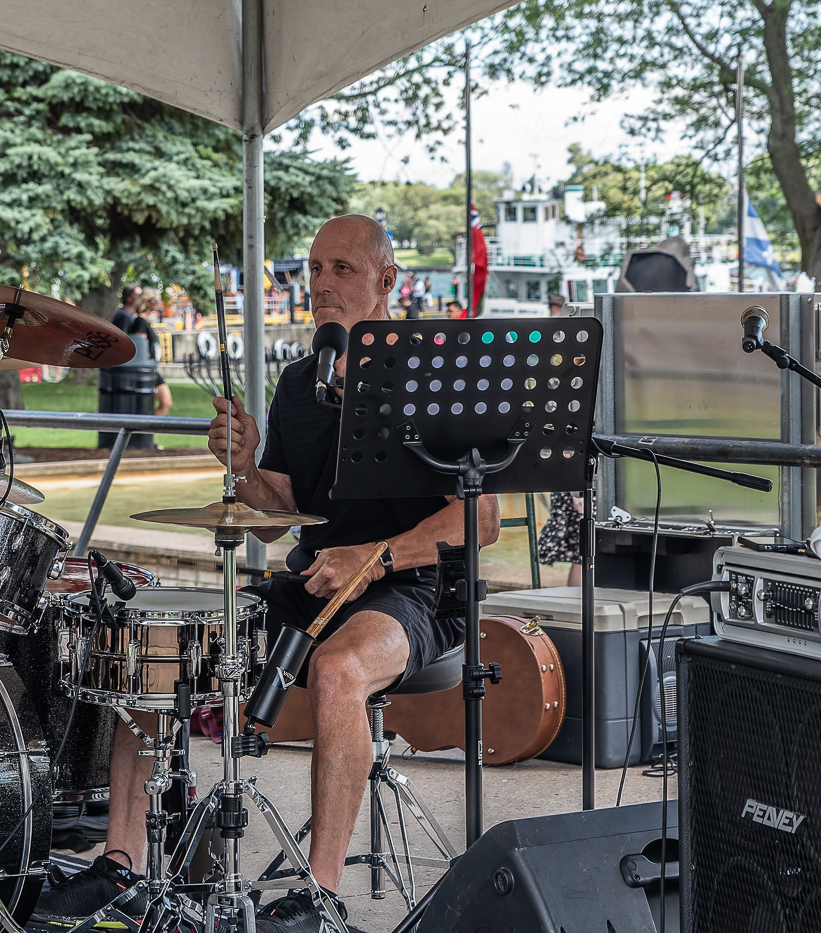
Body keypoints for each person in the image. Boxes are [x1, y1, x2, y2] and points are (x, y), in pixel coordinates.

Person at [31, 215, 500, 931]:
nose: (321, 283)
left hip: (416, 590)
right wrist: (244, 466)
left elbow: (481, 518)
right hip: (314, 582)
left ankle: (319, 897)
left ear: (386, 280)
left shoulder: (431, 374)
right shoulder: (300, 383)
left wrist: (372, 557)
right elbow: (278, 516)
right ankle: (121, 866)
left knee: (338, 669)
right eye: (314, 269)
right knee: (160, 638)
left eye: (341, 268)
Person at [132, 288, 173, 418]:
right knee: (165, 402)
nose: (158, 303)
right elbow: (139, 347)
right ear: (147, 302)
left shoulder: (145, 320)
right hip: (146, 369)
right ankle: (148, 429)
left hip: (150, 368)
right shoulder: (140, 322)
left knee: (165, 402)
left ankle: (148, 429)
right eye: (155, 300)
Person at [538, 493, 583, 585]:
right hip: (578, 494)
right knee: (581, 556)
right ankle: (578, 593)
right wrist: (578, 495)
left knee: (582, 556)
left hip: (579, 493)